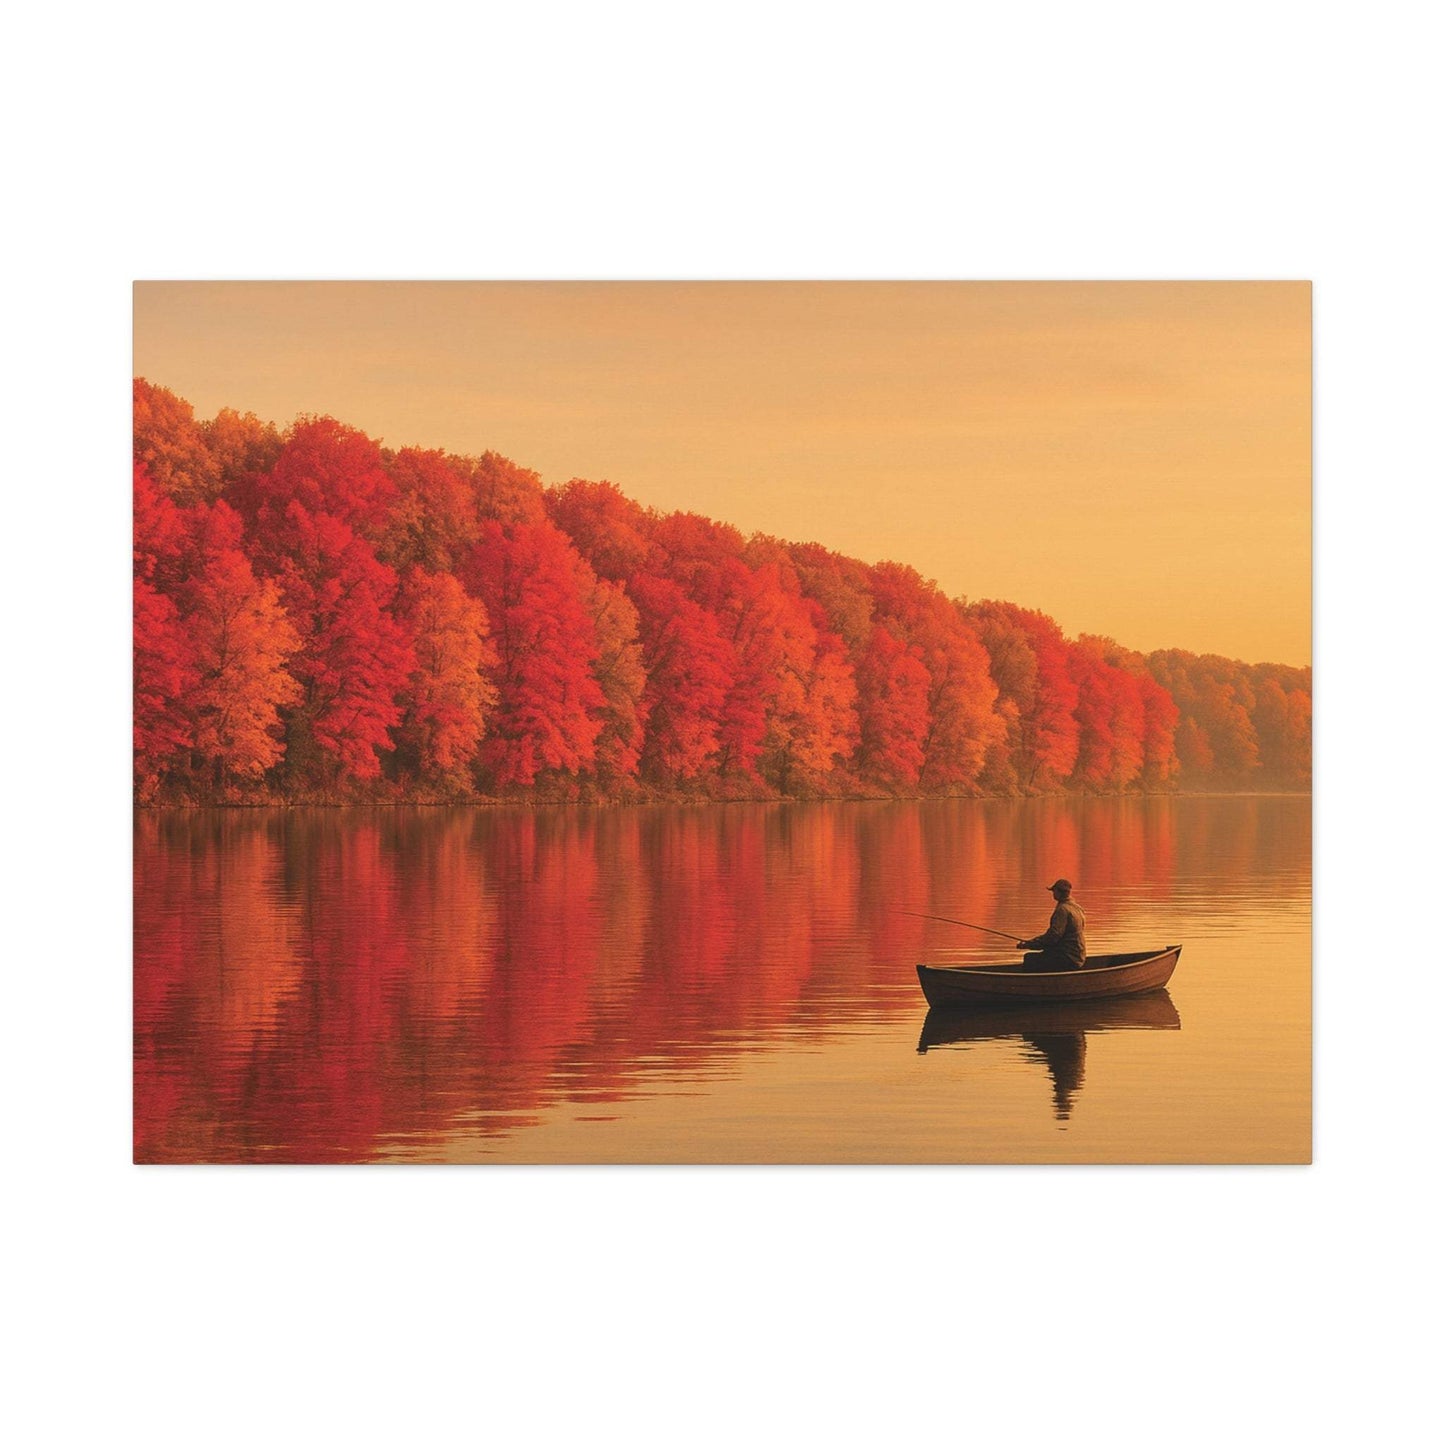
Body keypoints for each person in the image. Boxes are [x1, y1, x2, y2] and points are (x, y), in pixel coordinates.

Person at [1016, 879, 1087, 971]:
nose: (1053, 893)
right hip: (1078, 956)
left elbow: (1053, 937)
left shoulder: (1062, 910)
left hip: (1068, 957)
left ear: (1058, 892)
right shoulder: (1077, 907)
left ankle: (1030, 984)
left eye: (1054, 891)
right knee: (1045, 954)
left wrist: (1029, 945)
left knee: (1030, 958)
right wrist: (1033, 941)